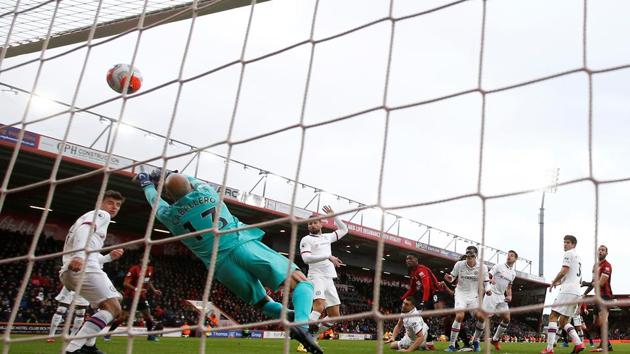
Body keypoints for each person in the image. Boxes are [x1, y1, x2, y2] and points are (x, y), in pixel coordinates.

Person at [135, 170, 322, 354]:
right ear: (189, 186)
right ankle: (301, 325)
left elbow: (155, 201)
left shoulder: (169, 216)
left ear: (168, 195)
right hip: (243, 245)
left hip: (221, 266)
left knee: (261, 302)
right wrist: (169, 174)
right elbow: (195, 182)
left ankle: (289, 316)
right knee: (301, 282)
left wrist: (147, 184)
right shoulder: (207, 193)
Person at [59, 190, 125, 354]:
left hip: (74, 269)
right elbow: (84, 230)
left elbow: (93, 255)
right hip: (83, 267)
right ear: (100, 203)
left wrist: (109, 257)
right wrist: (80, 256)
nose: (114, 207)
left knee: (114, 299)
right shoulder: (101, 214)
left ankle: (89, 345)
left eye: (118, 205)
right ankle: (73, 350)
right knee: (114, 308)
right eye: (110, 202)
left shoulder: (91, 217)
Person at [48, 249, 124, 343]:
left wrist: (110, 256)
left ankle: (73, 336)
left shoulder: (97, 253)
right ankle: (51, 335)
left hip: (87, 284)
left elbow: (102, 260)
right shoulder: (80, 249)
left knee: (80, 312)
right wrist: (109, 257)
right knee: (61, 310)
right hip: (75, 279)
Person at [298, 206, 348, 343]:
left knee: (334, 316)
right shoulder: (306, 240)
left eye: (315, 222)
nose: (312, 225)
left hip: (328, 278)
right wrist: (328, 256)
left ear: (321, 224)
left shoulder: (327, 237)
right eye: (310, 223)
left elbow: (344, 230)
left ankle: (312, 336)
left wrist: (335, 215)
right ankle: (303, 337)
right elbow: (306, 259)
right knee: (319, 305)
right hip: (316, 275)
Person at [541, 235, 585, 354]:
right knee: (564, 322)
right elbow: (572, 277)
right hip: (576, 292)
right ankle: (578, 343)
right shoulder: (579, 258)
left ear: (574, 245)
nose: (565, 244)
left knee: (553, 316)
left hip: (567, 291)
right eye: (564, 242)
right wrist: (559, 282)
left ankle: (549, 349)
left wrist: (554, 281)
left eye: (568, 242)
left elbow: (564, 270)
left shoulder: (568, 254)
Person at [443, 245, 489, 352]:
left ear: (476, 256)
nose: (469, 255)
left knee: (481, 317)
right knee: (459, 316)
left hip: (474, 295)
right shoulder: (459, 264)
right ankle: (452, 345)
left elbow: (486, 282)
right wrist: (449, 278)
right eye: (467, 253)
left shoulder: (483, 267)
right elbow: (452, 278)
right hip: (461, 294)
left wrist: (488, 289)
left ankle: (476, 341)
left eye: (472, 254)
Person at [470, 250, 518, 351]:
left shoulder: (513, 273)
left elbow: (509, 287)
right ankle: (475, 340)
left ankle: (495, 340)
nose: (509, 257)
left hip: (501, 296)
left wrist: (509, 296)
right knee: (483, 318)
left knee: (506, 319)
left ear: (515, 259)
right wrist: (490, 279)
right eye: (508, 255)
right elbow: (488, 275)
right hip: (491, 293)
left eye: (512, 256)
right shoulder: (499, 266)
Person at [105, 258, 162, 342]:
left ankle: (150, 336)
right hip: (130, 296)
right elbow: (125, 283)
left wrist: (154, 290)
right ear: (141, 261)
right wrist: (136, 289)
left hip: (141, 297)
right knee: (123, 317)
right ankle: (108, 334)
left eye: (148, 260)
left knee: (148, 316)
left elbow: (148, 280)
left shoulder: (150, 269)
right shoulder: (134, 269)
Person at [582, 245, 613, 352]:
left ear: (606, 253)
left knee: (602, 321)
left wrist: (586, 283)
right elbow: (593, 283)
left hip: (605, 296)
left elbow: (601, 282)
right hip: (597, 297)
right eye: (599, 250)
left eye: (603, 250)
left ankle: (604, 345)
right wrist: (585, 294)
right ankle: (607, 344)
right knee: (595, 323)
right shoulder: (595, 266)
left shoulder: (607, 266)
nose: (600, 251)